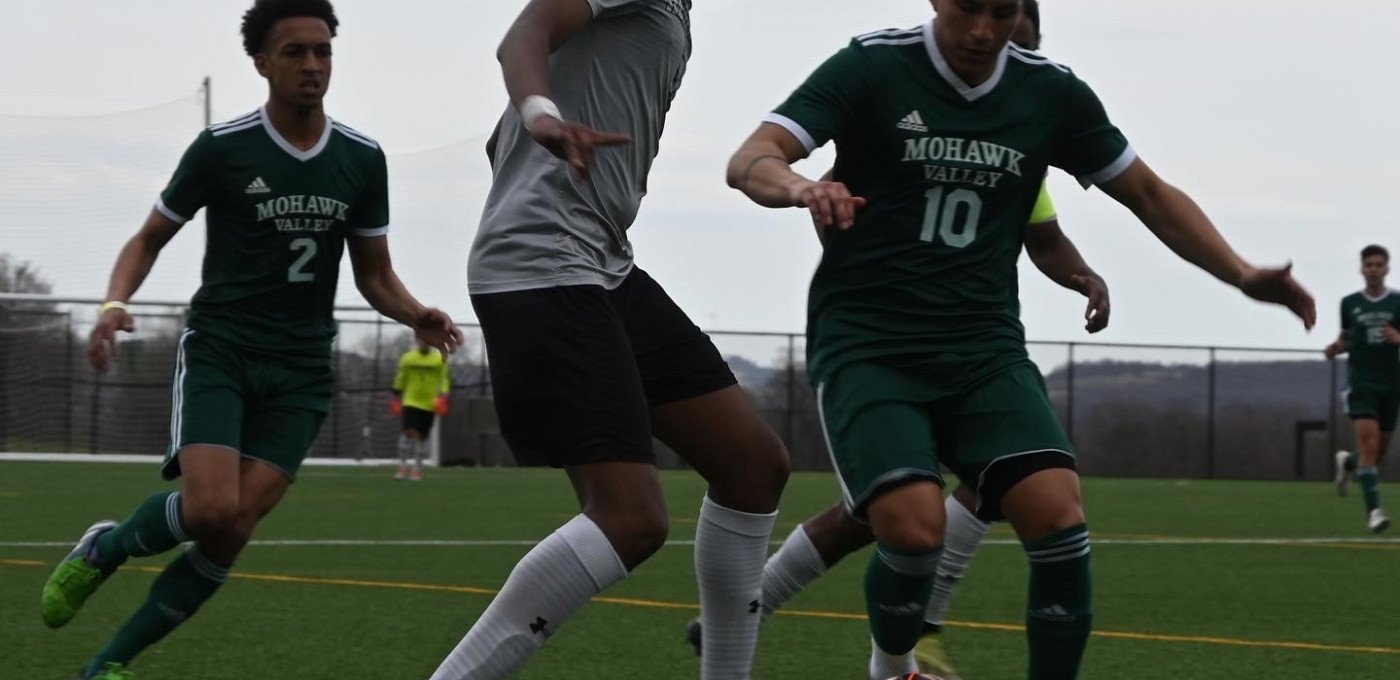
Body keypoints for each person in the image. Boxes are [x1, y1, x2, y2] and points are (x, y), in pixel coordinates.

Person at [726, 0, 1315, 678]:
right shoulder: (873, 66)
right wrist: (798, 186)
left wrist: (1241, 273)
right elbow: (750, 160)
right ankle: (891, 669)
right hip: (871, 345)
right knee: (915, 531)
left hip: (984, 348)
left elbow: (1148, 194)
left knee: (1060, 522)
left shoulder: (1051, 93)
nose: (983, 30)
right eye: (968, 9)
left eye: (1002, 12)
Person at [38, 2, 462, 678]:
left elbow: (374, 274)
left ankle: (109, 665)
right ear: (262, 62)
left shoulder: (360, 158)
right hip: (223, 350)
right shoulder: (223, 148)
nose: (313, 65)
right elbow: (149, 237)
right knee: (211, 507)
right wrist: (113, 304)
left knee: (231, 531)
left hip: (301, 370)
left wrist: (416, 314)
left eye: (323, 51)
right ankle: (107, 550)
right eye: (295, 52)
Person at [691, 4, 1109, 678]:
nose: (996, 46)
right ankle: (852, 634)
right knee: (893, 514)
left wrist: (1083, 275)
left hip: (973, 353)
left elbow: (1045, 236)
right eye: (992, 27)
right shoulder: (894, 89)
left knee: (988, 498)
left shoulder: (1020, 139)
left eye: (1018, 37)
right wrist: (819, 205)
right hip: (885, 350)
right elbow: (773, 168)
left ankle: (835, 621)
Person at [428, 1, 790, 678]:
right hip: (544, 267)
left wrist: (534, 133)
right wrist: (540, 116)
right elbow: (522, 37)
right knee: (631, 517)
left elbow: (499, 139)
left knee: (753, 466)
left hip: (603, 266)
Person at [1325, 244, 1398, 533]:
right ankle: (1375, 513)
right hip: (1361, 384)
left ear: (1387, 269)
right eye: (1369, 265)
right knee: (1369, 445)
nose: (1374, 270)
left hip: (1391, 385)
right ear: (1361, 269)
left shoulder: (1398, 302)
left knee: (1376, 454)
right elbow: (1346, 338)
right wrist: (1335, 347)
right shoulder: (1349, 303)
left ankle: (1348, 463)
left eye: (1379, 265)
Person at [391, 339, 452, 480]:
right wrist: (395, 396)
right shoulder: (408, 358)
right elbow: (401, 377)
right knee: (407, 433)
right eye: (421, 341)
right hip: (410, 401)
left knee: (421, 437)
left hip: (429, 403)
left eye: (427, 341)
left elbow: (444, 379)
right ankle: (402, 466)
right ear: (417, 341)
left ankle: (417, 468)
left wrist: (444, 396)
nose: (424, 343)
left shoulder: (438, 359)